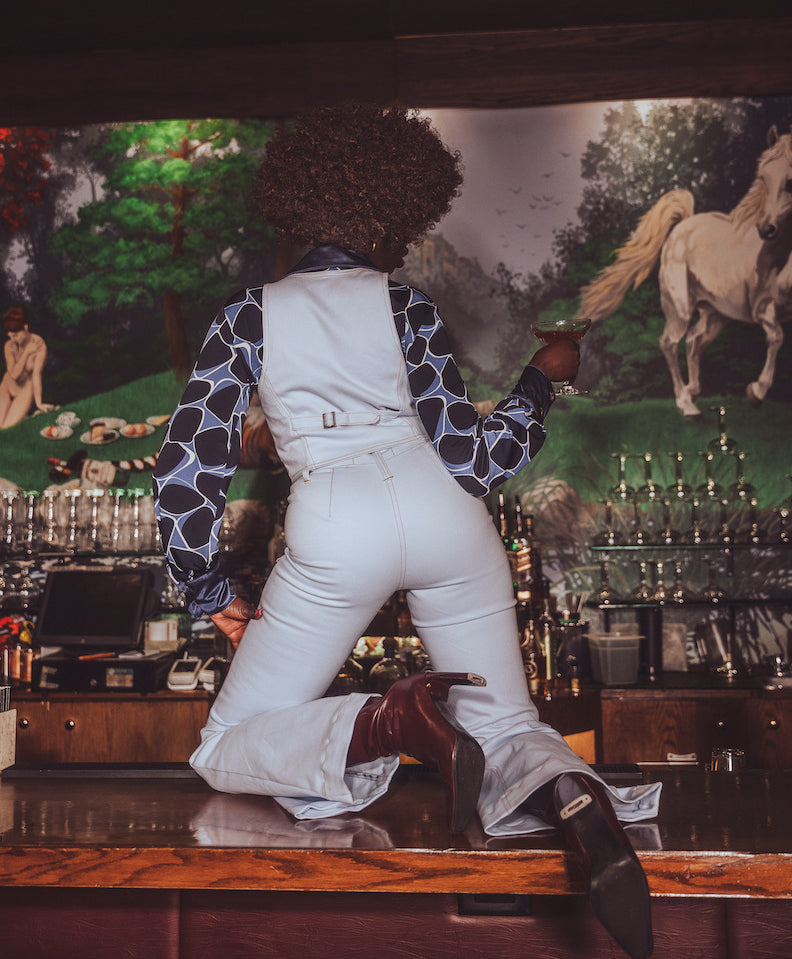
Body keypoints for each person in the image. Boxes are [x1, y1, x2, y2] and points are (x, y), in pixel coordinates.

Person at [153, 103, 659, 959]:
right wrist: (542, 377)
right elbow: (474, 460)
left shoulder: (248, 316)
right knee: (505, 724)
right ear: (394, 209)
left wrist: (212, 593)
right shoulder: (405, 304)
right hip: (446, 516)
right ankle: (577, 798)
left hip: (333, 525)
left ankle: (392, 725)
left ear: (298, 205)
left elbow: (184, 473)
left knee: (227, 743)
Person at [0, 306, 52, 429]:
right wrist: (27, 353)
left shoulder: (39, 344)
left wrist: (38, 403)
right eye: (10, 336)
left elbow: (36, 374)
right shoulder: (9, 345)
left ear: (25, 327)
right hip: (7, 386)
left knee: (6, 428)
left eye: (16, 335)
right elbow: (14, 375)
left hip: (25, 389)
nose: (14, 339)